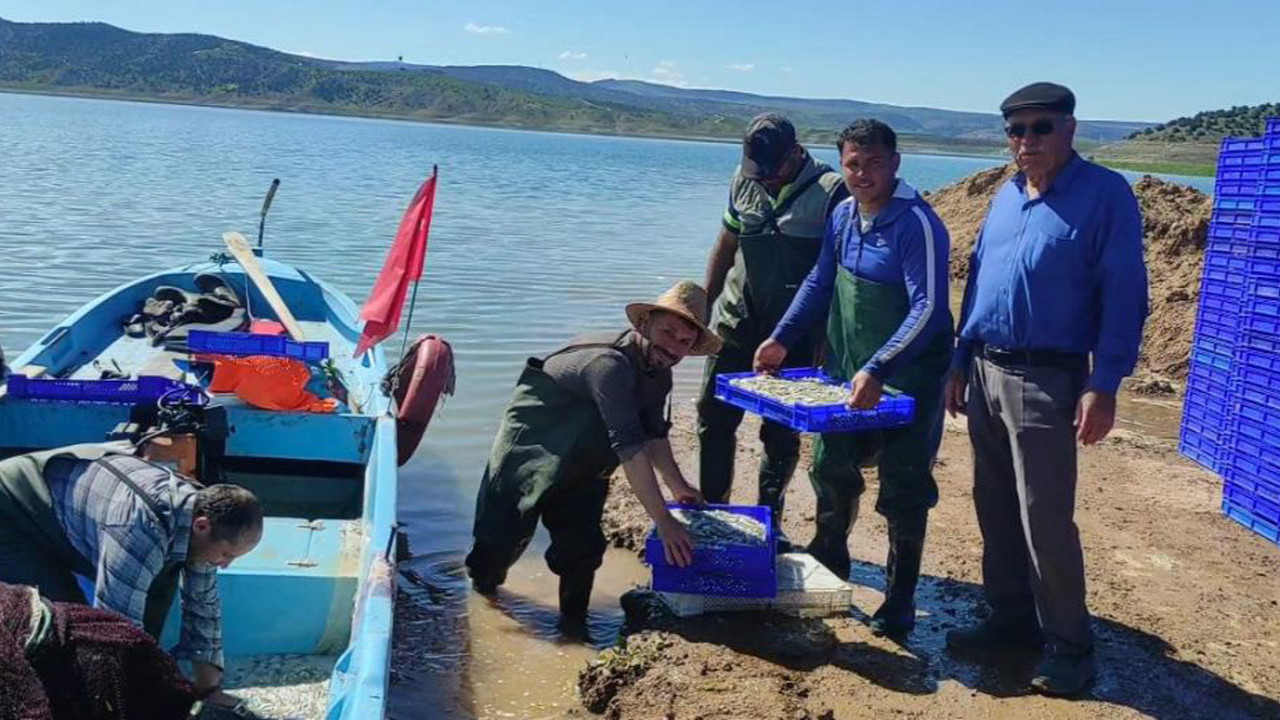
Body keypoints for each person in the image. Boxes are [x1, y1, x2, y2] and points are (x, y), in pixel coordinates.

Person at [943, 82, 1148, 696]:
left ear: (1069, 128)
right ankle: (1009, 619)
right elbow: (977, 281)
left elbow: (1126, 295)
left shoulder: (1105, 195)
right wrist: (958, 359)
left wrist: (1104, 383)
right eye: (1015, 130)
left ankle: (1069, 646)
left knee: (1045, 519)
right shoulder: (1006, 196)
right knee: (994, 504)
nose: (1026, 140)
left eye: (1040, 127)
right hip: (985, 369)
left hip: (1048, 377)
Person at [755, 119, 953, 637]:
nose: (862, 174)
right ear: (842, 165)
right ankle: (829, 561)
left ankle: (900, 597)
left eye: (873, 163)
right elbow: (822, 281)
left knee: (904, 486)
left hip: (909, 378)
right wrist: (780, 337)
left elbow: (929, 308)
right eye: (852, 164)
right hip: (848, 373)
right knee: (832, 468)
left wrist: (879, 366)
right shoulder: (842, 214)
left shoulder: (917, 224)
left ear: (895, 162)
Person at [466, 281, 721, 622]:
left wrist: (678, 487)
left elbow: (653, 436)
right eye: (667, 331)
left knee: (582, 553)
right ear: (643, 325)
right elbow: (630, 448)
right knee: (497, 546)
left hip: (585, 461)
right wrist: (663, 520)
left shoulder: (660, 376)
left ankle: (573, 628)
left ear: (691, 349)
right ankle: (484, 609)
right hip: (530, 449)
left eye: (684, 341)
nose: (673, 345)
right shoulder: (609, 366)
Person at [0, 438, 264, 707]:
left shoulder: (201, 517)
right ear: (202, 526)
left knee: (160, 587)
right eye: (226, 555)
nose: (225, 564)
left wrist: (209, 691)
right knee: (64, 625)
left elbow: (203, 606)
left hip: (67, 512)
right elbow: (113, 629)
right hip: (11, 510)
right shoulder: (138, 529)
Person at [699, 113, 847, 545]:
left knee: (780, 430)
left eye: (772, 171)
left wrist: (824, 333)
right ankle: (714, 514)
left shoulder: (831, 191)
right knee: (714, 416)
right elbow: (725, 246)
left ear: (796, 153)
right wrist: (703, 308)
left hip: (793, 331)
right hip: (736, 319)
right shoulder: (742, 182)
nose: (763, 181)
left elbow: (837, 271)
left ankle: (770, 520)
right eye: (756, 172)